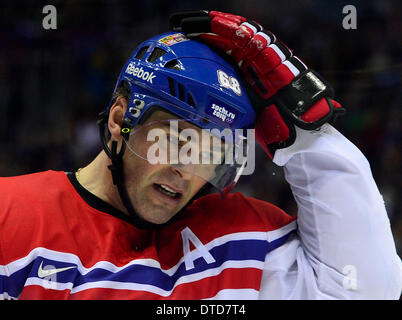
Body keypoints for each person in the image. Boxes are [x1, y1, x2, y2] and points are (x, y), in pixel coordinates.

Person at [1, 10, 401, 300]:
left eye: (211, 152)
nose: (185, 169)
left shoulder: (236, 243)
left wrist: (304, 132)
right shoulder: (10, 216)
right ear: (120, 118)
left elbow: (366, 290)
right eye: (175, 140)